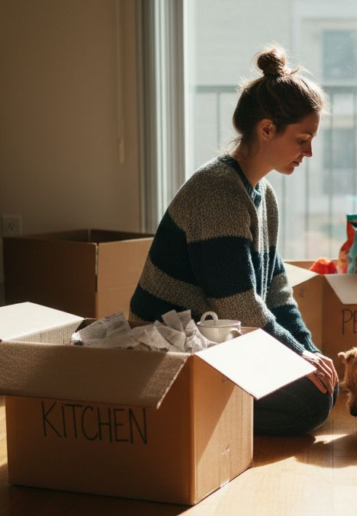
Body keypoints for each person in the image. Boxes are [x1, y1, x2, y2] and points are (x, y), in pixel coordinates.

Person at [130, 45, 338, 435]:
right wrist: (300, 358)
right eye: (302, 139)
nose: (309, 152)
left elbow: (277, 292)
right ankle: (187, 413)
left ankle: (209, 408)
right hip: (170, 346)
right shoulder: (219, 194)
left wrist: (309, 351)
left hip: (219, 334)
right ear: (266, 129)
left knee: (324, 384)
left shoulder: (264, 195)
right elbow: (239, 306)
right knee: (311, 402)